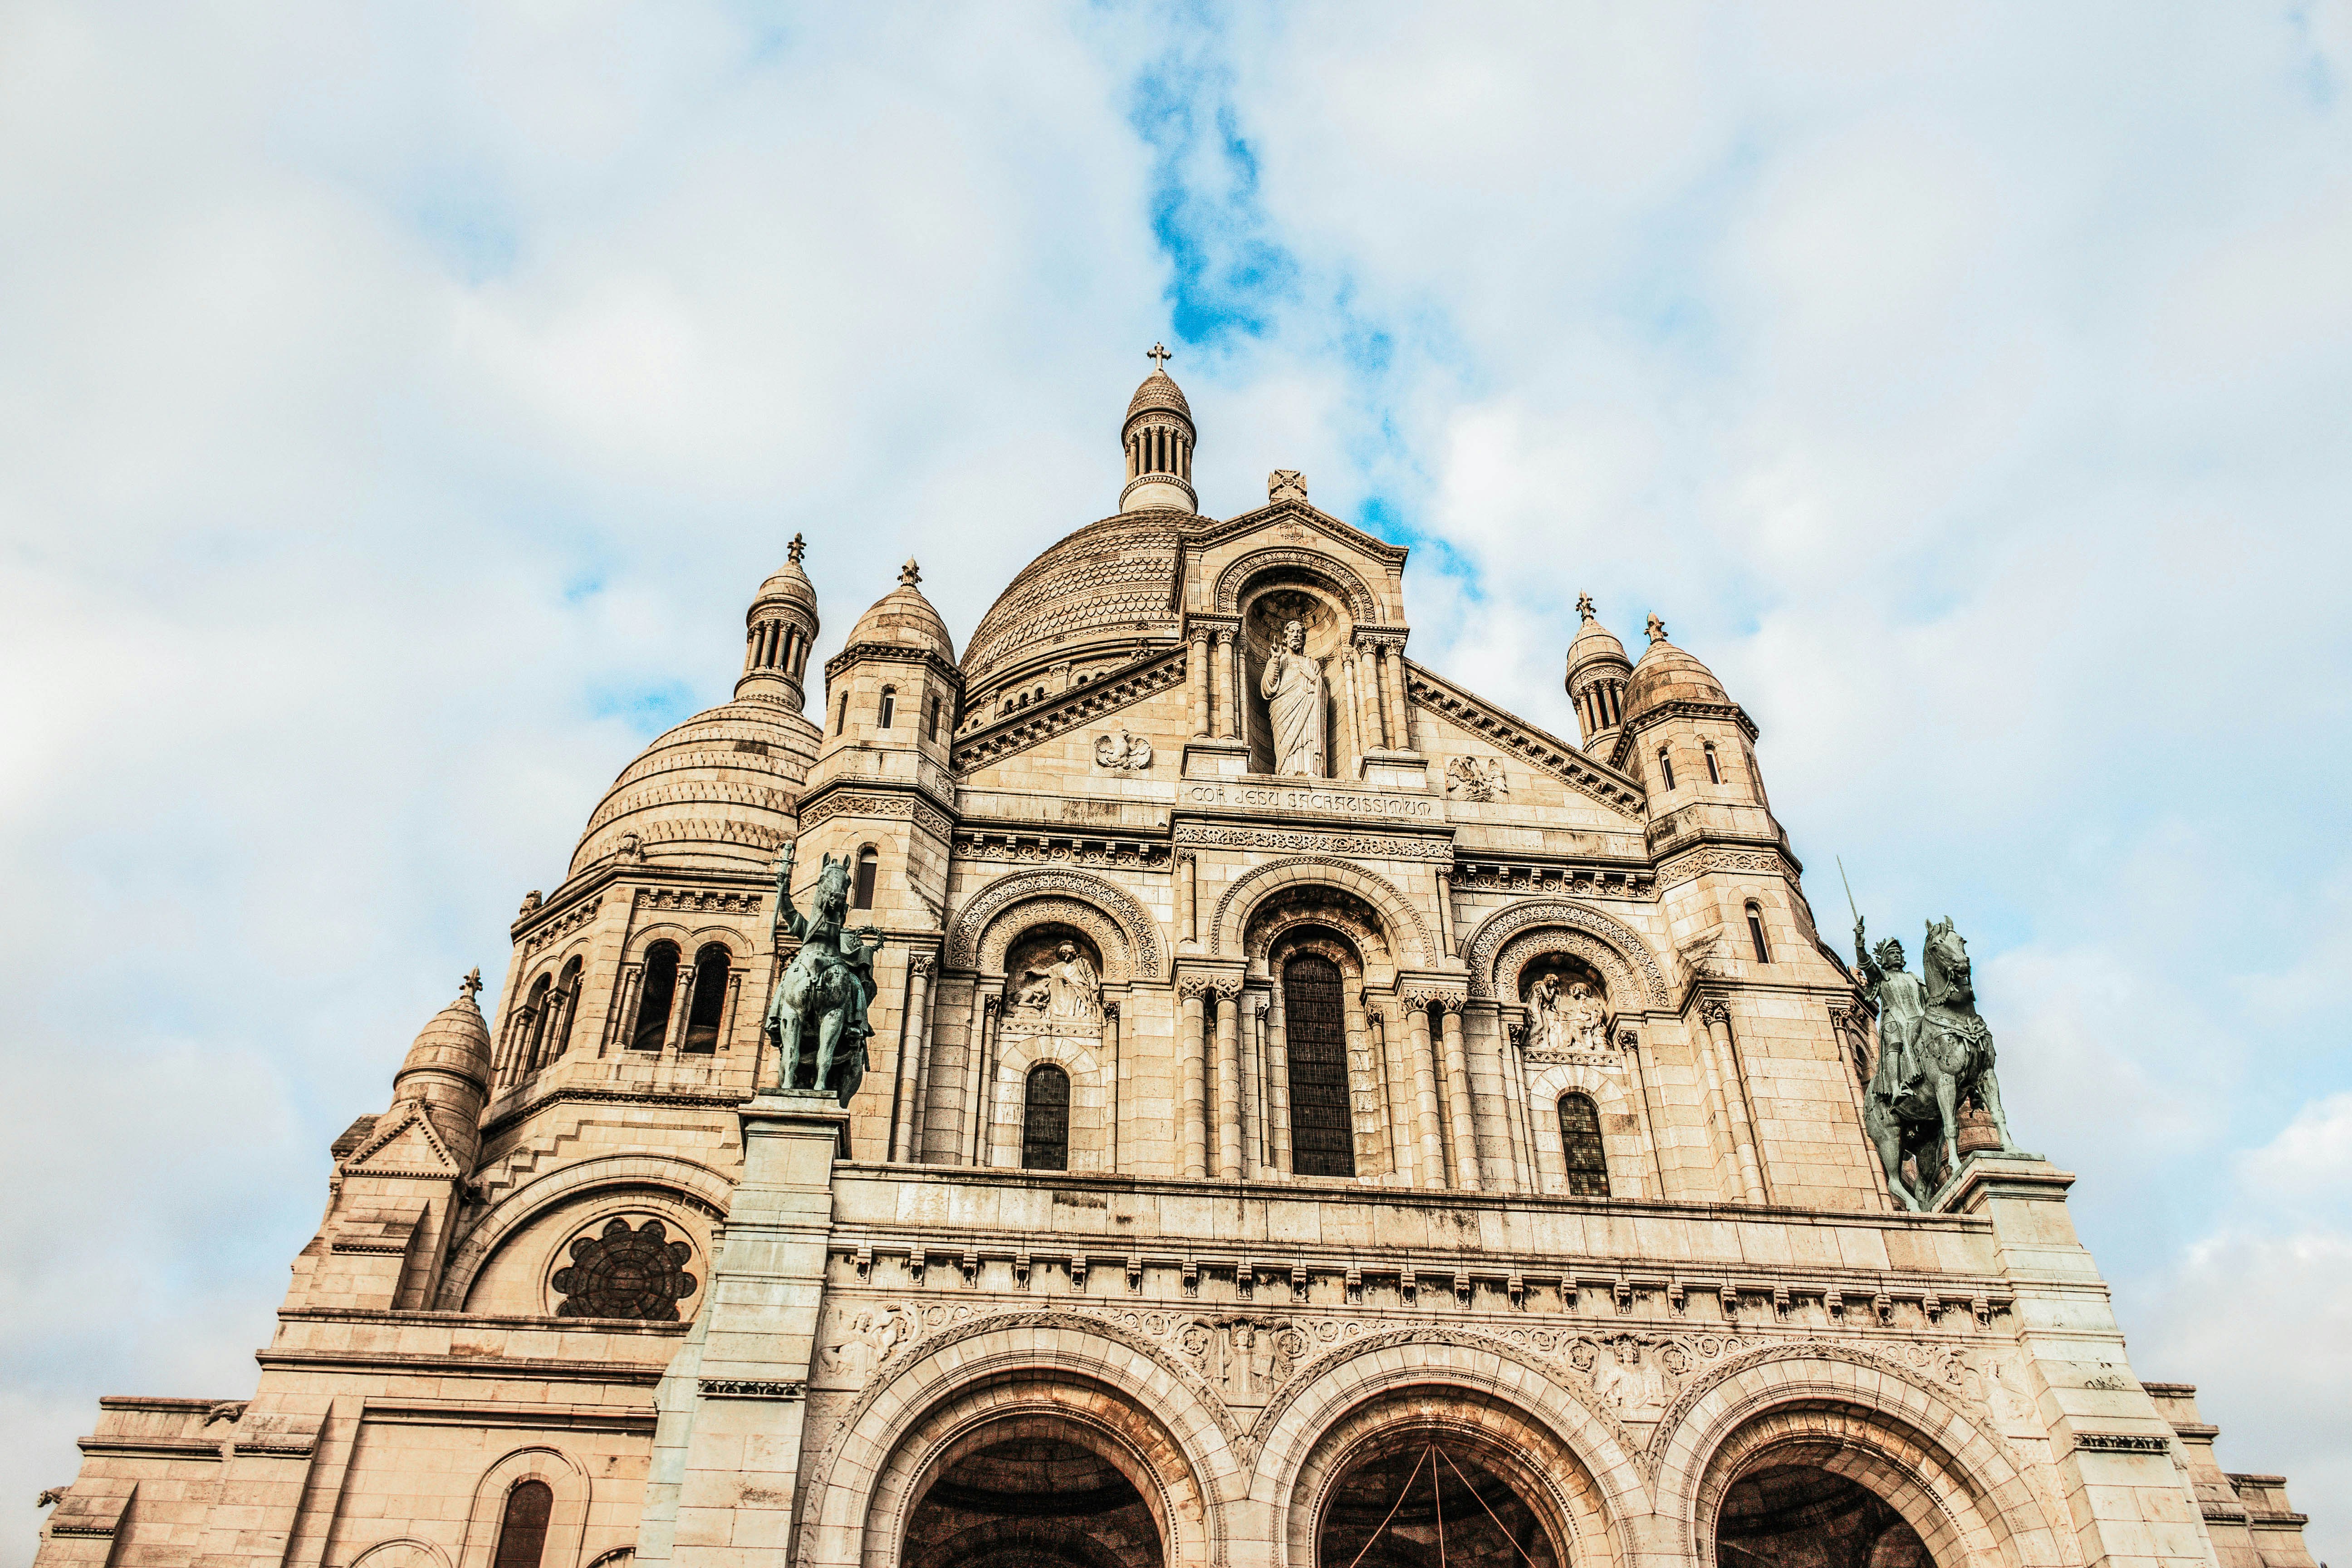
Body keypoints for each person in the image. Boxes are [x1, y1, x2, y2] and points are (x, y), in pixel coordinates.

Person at [1259, 618, 1326, 777]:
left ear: (1303, 638)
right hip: (1284, 709)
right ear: (1285, 638)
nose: (1296, 635)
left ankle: (1310, 768)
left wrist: (1313, 677)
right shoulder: (1279, 661)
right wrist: (1275, 660)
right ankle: (1287, 768)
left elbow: (1321, 691)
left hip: (1308, 708)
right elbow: (1268, 688)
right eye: (1292, 632)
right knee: (1287, 741)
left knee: (1307, 735)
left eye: (1299, 633)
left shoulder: (1312, 664)